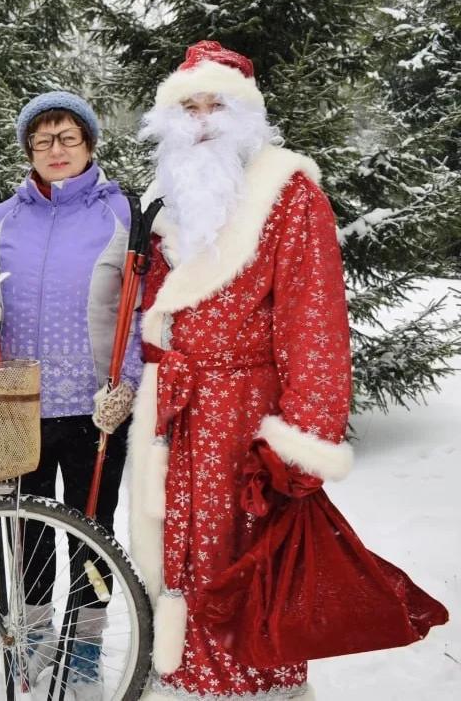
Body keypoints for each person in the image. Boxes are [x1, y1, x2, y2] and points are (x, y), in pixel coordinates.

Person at [128, 41, 445, 700]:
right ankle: (185, 684)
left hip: (250, 421)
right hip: (178, 422)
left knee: (250, 572)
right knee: (179, 561)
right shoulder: (166, 196)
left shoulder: (290, 194)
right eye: (191, 103)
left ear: (247, 113)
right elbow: (154, 312)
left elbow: (316, 328)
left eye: (220, 102)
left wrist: (298, 445)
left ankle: (255, 690)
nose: (205, 115)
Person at [0, 92, 142, 696]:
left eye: (68, 138)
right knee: (24, 533)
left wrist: (125, 382)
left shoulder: (121, 213)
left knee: (91, 532)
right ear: (29, 150)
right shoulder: (1, 219)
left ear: (89, 146)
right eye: (43, 139)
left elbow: (140, 302)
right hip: (18, 405)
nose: (56, 149)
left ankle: (84, 646)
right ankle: (31, 634)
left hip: (94, 406)